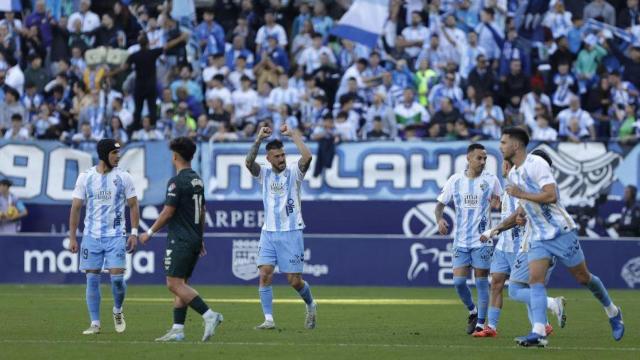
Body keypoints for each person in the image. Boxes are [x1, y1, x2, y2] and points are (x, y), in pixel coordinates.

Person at [491, 127, 624, 347]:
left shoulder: (537, 164)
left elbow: (551, 196)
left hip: (560, 231)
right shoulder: (513, 174)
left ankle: (613, 311)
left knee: (583, 278)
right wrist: (522, 215)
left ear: (515, 145)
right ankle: (539, 332)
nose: (500, 146)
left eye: (503, 142)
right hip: (538, 236)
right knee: (535, 280)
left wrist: (520, 194)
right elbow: (527, 202)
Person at [139, 137, 223, 342]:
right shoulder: (197, 179)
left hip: (181, 239)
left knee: (173, 283)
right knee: (182, 284)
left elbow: (167, 213)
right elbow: (202, 211)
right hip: (193, 237)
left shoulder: (176, 182)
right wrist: (199, 237)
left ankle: (209, 315)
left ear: (175, 156)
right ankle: (178, 330)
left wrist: (148, 233)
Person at [474, 155, 565, 338]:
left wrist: (496, 229)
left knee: (522, 288)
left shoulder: (522, 186)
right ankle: (491, 326)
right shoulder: (505, 185)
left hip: (520, 245)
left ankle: (543, 323)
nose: (504, 166)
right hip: (503, 245)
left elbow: (519, 214)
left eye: (507, 163)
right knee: (496, 283)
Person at [244, 125, 317, 330]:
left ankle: (311, 305)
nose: (281, 159)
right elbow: (249, 162)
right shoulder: (264, 173)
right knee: (265, 273)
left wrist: (294, 135)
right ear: (268, 158)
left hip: (291, 231)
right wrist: (258, 140)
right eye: (276, 156)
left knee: (294, 281)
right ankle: (268, 319)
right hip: (268, 231)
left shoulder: (295, 172)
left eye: (283, 155)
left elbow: (308, 157)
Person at [68, 139, 140, 335]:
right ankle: (95, 323)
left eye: (118, 153)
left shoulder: (124, 177)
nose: (118, 156)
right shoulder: (86, 177)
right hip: (91, 236)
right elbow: (75, 208)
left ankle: (117, 310)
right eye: (114, 153)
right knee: (92, 279)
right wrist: (73, 237)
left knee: (117, 279)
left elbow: (133, 205)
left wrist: (134, 233)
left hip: (116, 235)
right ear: (103, 155)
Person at [435, 143, 502, 335]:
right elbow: (439, 205)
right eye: (479, 158)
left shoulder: (491, 180)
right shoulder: (455, 181)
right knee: (458, 282)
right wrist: (439, 220)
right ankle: (473, 311)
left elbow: (500, 200)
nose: (482, 162)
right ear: (468, 158)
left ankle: (481, 324)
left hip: (482, 240)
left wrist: (498, 202)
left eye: (485, 159)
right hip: (461, 241)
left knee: (481, 282)